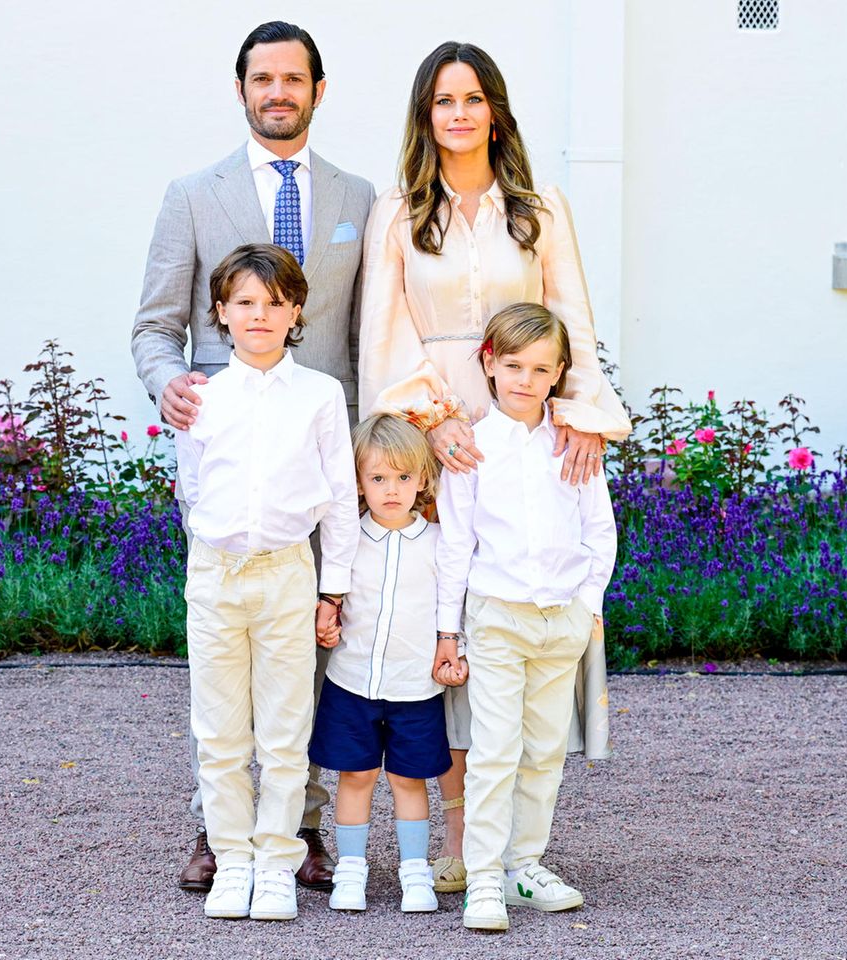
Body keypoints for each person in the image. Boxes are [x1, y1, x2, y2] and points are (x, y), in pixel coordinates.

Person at [358, 40, 631, 892]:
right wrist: (433, 423)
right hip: (444, 439)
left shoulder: (539, 207)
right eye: (444, 100)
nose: (460, 113)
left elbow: (572, 323)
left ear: (496, 110)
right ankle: (454, 842)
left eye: (474, 98)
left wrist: (581, 415)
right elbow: (385, 335)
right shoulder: (400, 213)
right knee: (450, 638)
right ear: (425, 115)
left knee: (522, 633)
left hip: (532, 431)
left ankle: (514, 850)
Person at [131, 20, 375, 892]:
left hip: (324, 455)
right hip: (228, 449)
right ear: (241, 90)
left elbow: (367, 333)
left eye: (294, 78)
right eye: (262, 78)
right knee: (225, 658)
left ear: (318, 90)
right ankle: (218, 827)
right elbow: (156, 325)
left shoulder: (358, 198)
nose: (278, 92)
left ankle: (299, 826)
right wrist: (168, 385)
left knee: (313, 644)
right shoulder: (193, 195)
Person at [175, 244, 359, 921]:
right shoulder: (201, 396)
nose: (260, 315)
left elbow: (340, 498)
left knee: (286, 730)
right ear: (221, 312)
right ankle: (232, 858)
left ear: (296, 312)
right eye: (245, 303)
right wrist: (216, 551)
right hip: (217, 574)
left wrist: (331, 590)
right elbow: (193, 490)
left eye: (274, 303)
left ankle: (278, 858)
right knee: (219, 730)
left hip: (288, 574)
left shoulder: (318, 395)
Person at [435, 303, 617, 931]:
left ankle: (523, 864)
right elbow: (455, 543)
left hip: (560, 619)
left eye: (541, 369)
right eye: (512, 365)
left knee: (544, 749)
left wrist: (585, 606)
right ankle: (482, 876)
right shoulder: (472, 447)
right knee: (495, 747)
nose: (525, 379)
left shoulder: (573, 444)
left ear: (559, 372)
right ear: (489, 363)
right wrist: (447, 631)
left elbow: (601, 533)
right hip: (496, 618)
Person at [308, 415, 458, 914]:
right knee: (355, 777)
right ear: (357, 482)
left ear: (422, 480)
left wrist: (457, 649)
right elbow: (333, 598)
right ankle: (351, 872)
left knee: (409, 781)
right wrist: (325, 620)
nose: (391, 490)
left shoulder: (439, 544)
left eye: (402, 477)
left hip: (416, 687)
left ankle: (414, 874)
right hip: (352, 682)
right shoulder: (346, 542)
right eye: (377, 478)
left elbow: (454, 607)